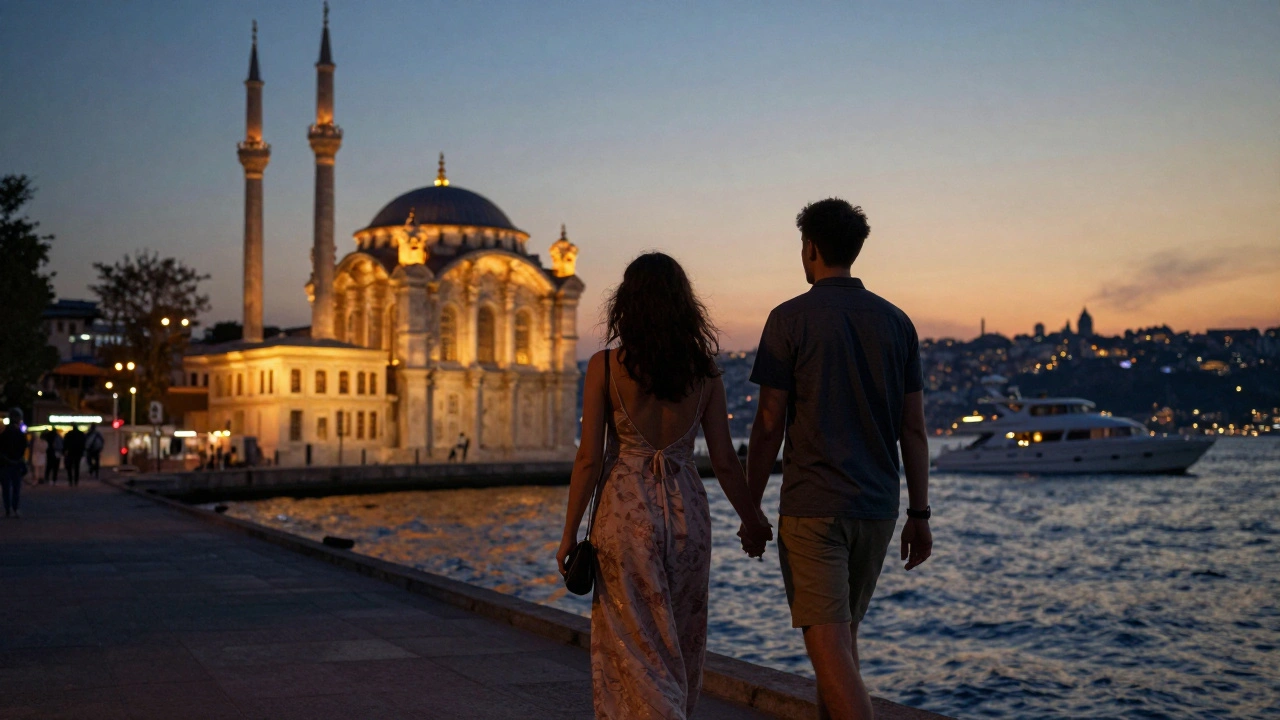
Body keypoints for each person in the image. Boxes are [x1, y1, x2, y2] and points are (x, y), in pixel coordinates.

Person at [556, 252, 773, 718]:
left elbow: (589, 458)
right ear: (684, 306)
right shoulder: (706, 372)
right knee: (683, 634)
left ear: (625, 305)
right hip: (688, 509)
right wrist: (752, 520)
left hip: (625, 508)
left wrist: (569, 534)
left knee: (633, 642)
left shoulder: (606, 366)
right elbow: (725, 461)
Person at [745, 199, 932, 720]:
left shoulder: (788, 320)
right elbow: (913, 429)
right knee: (841, 644)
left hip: (813, 508)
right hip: (877, 508)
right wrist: (920, 515)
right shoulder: (898, 324)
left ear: (810, 249)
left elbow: (768, 424)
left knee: (828, 646)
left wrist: (750, 507)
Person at [1, 409, 28, 517]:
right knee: (16, 488)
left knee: (6, 489)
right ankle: (15, 508)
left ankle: (7, 509)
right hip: (16, 464)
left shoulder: (3, 434)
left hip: (5, 464)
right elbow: (23, 449)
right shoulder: (20, 434)